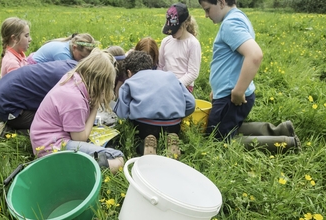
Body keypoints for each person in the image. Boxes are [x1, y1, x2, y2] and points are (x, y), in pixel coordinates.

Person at [198, 0, 300, 153]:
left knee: (218, 141)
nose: (206, 15)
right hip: (227, 93)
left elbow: (254, 55)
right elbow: (232, 62)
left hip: (230, 96)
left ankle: (286, 143)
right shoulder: (239, 17)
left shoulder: (230, 24)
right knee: (229, 127)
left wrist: (238, 91)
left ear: (221, 2)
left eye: (207, 9)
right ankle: (280, 130)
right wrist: (217, 89)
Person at [30, 49, 124, 173]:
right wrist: (95, 106)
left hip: (42, 141)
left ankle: (80, 165)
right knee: (118, 157)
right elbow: (80, 139)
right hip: (51, 149)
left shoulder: (73, 78)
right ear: (101, 83)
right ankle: (85, 170)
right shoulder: (75, 100)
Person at [114, 51, 195, 158]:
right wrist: (177, 115)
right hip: (173, 125)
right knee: (170, 131)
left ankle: (144, 145)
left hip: (145, 126)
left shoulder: (130, 81)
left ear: (129, 73)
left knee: (138, 138)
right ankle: (170, 139)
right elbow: (191, 103)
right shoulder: (170, 76)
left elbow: (121, 113)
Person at [0, 59, 77, 132]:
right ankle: (8, 129)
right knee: (62, 123)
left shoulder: (71, 65)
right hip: (5, 106)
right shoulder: (69, 79)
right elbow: (70, 112)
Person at [158, 3, 201, 93]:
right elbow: (160, 65)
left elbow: (193, 73)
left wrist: (176, 85)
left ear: (186, 24)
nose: (171, 33)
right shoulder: (166, 42)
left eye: (175, 29)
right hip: (165, 85)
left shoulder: (192, 43)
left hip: (183, 87)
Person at [26, 33, 97, 64]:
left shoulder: (70, 45)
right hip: (33, 67)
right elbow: (67, 76)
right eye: (82, 56)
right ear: (74, 48)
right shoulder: (63, 54)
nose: (83, 60)